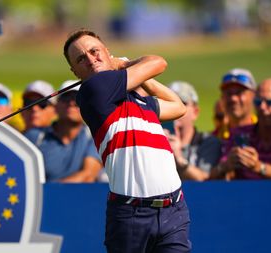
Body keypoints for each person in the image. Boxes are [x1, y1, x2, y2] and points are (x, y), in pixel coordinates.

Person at [63, 29, 190, 252]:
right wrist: (125, 64)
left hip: (174, 209)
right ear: (75, 71)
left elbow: (179, 107)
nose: (91, 60)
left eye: (95, 51)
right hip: (132, 215)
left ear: (107, 52)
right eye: (81, 58)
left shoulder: (139, 101)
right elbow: (158, 62)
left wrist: (134, 74)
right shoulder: (94, 90)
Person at [24, 80, 103, 182]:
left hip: (79, 196)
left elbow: (88, 175)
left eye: (78, 99)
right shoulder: (35, 136)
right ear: (55, 107)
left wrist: (53, 190)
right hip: (42, 197)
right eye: (66, 98)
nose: (71, 103)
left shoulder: (94, 136)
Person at [211, 78, 271, 180]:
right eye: (258, 102)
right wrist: (227, 166)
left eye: (270, 102)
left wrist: (260, 167)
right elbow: (213, 177)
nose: (262, 107)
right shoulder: (240, 134)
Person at [166, 81, 222, 181]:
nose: (174, 108)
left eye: (182, 103)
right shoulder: (152, 138)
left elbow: (206, 180)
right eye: (168, 102)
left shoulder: (208, 142)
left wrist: (178, 157)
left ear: (195, 112)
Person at [216, 68, 257, 141]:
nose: (233, 98)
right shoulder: (214, 139)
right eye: (228, 93)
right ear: (222, 98)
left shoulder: (266, 135)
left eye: (239, 92)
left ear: (254, 96)